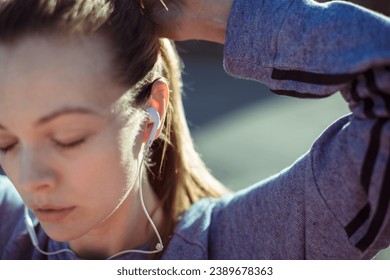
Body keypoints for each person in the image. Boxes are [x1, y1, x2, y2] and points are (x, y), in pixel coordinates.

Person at [0, 0, 389, 260]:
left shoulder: (252, 245)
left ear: (153, 110)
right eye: (7, 142)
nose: (31, 179)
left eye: (68, 137)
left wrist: (228, 15)